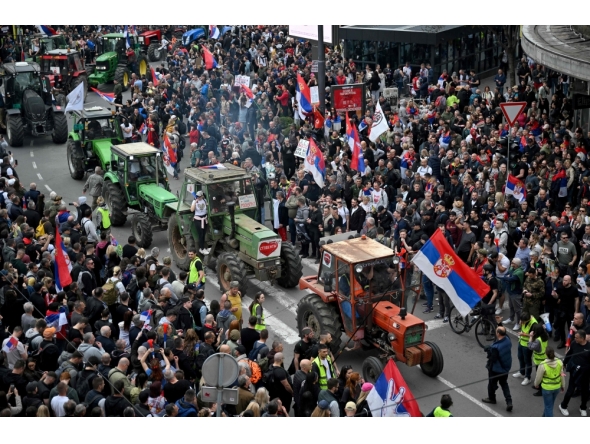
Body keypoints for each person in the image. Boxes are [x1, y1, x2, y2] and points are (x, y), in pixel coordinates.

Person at [559, 330, 590, 417]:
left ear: (582, 338)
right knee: (570, 390)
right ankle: (563, 406)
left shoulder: (589, 347)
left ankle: (583, 408)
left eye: (576, 338)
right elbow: (569, 353)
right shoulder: (574, 343)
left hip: (585, 373)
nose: (574, 339)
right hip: (574, 371)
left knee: (585, 392)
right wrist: (564, 363)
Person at [482, 326, 513, 412]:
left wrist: (489, 350)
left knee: (491, 384)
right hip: (505, 368)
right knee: (504, 384)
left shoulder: (496, 347)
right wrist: (499, 323)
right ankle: (509, 402)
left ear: (498, 334)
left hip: (496, 370)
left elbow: (493, 359)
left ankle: (492, 398)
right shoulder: (507, 340)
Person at [533, 347, 564, 416]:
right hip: (556, 387)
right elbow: (562, 375)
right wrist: (563, 385)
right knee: (550, 405)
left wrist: (536, 384)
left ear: (546, 354)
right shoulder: (559, 362)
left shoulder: (543, 364)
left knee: (548, 407)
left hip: (547, 388)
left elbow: (538, 377)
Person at [512, 311, 537, 385]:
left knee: (527, 361)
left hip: (527, 345)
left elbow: (533, 335)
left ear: (527, 320)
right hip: (521, 341)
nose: (521, 322)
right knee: (520, 357)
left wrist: (523, 334)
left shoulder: (534, 324)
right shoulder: (524, 318)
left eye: (523, 321)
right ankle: (522, 372)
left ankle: (527, 377)